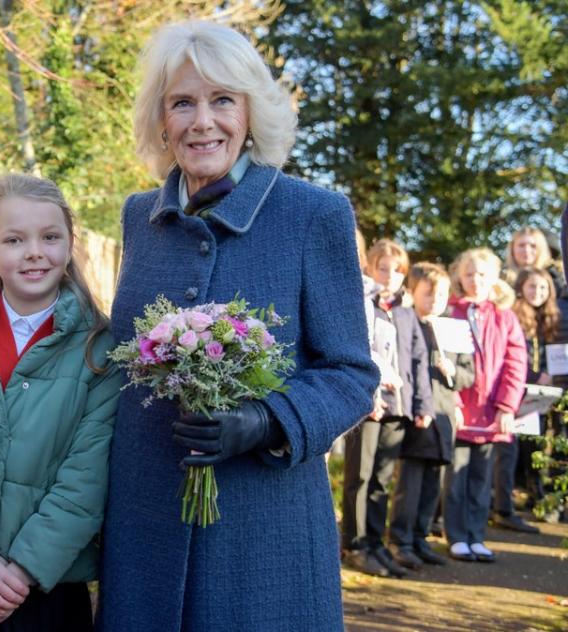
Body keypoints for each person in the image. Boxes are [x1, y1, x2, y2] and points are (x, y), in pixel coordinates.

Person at [98, 21, 378, 631]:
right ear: (161, 120)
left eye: (222, 100)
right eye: (183, 103)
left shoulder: (315, 214)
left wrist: (266, 419)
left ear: (251, 113)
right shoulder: (139, 217)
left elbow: (351, 373)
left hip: (262, 532)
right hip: (145, 525)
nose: (203, 121)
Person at [0, 173, 120, 631]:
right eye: (14, 239)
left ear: (70, 245)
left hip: (49, 592)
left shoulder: (99, 349)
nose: (34, 251)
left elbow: (86, 480)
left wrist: (21, 572)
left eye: (50, 237)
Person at [341, 239, 434, 577]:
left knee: (382, 478)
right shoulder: (363, 304)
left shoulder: (406, 313)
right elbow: (360, 350)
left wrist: (421, 404)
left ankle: (375, 542)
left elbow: (419, 361)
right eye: (383, 268)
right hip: (369, 403)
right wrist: (371, 393)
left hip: (398, 404)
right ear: (369, 267)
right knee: (360, 476)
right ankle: (354, 543)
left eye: (398, 271)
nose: (390, 276)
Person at [444, 248, 527, 563]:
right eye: (469, 274)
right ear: (459, 277)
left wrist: (507, 406)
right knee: (455, 478)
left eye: (482, 274)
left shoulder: (504, 316)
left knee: (481, 478)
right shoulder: (450, 311)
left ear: (494, 278)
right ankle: (456, 537)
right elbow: (445, 361)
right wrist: (451, 400)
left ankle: (477, 535)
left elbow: (515, 362)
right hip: (460, 410)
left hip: (492, 412)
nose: (475, 280)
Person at [389, 263, 474, 566]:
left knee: (432, 483)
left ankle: (421, 537)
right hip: (418, 412)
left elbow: (469, 374)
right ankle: (401, 540)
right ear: (414, 293)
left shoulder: (452, 328)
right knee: (409, 483)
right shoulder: (408, 322)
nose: (435, 300)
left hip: (444, 415)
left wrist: (454, 372)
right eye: (428, 294)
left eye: (441, 295)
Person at [492, 267, 561, 533]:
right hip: (512, 395)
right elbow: (510, 357)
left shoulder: (548, 318)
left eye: (543, 288)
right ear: (521, 288)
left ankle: (527, 500)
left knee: (530, 451)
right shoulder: (511, 315)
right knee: (506, 454)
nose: (538, 293)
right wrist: (535, 375)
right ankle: (502, 508)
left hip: (536, 399)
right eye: (532, 287)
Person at [504, 227, 566, 299]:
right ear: (512, 249)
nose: (527, 250)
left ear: (541, 249)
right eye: (521, 245)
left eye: (533, 246)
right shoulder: (503, 278)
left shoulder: (555, 278)